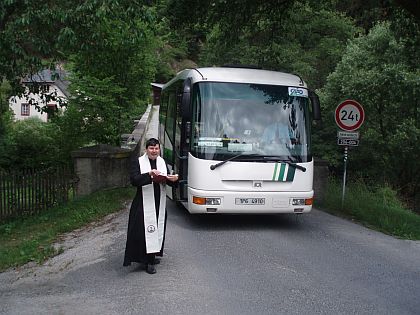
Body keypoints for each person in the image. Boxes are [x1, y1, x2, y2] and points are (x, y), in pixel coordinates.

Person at [123, 138, 178, 274]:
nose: (154, 151)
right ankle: (146, 261)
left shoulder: (162, 162)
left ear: (159, 149)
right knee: (143, 231)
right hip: (142, 202)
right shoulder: (138, 162)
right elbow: (134, 180)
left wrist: (173, 180)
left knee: (157, 229)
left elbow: (166, 179)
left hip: (159, 201)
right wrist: (149, 174)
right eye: (151, 148)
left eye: (156, 148)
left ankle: (152, 257)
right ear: (146, 150)